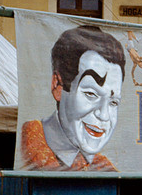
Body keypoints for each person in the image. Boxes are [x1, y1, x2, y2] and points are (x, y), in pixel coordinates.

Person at [20, 25, 125, 171]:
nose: (104, 115)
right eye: (91, 94)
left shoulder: (103, 167)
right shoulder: (31, 144)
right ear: (58, 86)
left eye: (113, 102)